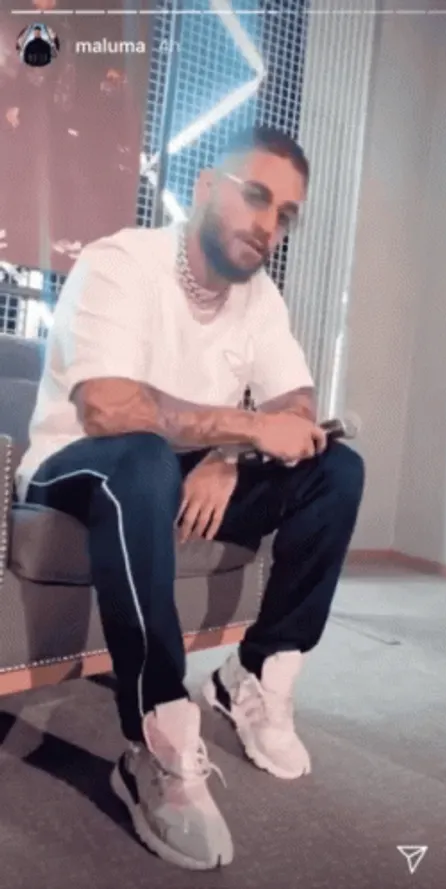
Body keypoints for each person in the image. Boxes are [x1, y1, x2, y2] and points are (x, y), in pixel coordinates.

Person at [16, 125, 365, 871]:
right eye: (256, 196)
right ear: (207, 187)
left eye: (286, 215)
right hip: (73, 467)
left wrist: (228, 458)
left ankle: (254, 676)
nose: (269, 225)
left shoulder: (260, 298)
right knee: (144, 459)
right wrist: (245, 429)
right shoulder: (120, 262)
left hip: (177, 471)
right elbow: (108, 408)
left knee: (336, 469)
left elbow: (296, 406)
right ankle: (156, 736)